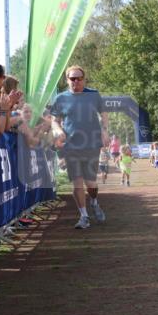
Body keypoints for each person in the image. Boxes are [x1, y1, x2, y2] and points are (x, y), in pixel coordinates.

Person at [50, 66, 110, 229]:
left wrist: (104, 130)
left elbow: (104, 114)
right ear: (67, 80)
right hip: (71, 145)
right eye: (72, 78)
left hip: (91, 144)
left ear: (84, 79)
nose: (76, 81)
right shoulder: (61, 98)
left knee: (90, 182)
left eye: (79, 78)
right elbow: (54, 120)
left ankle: (94, 202)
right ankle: (84, 216)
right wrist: (58, 130)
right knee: (77, 182)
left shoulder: (94, 95)